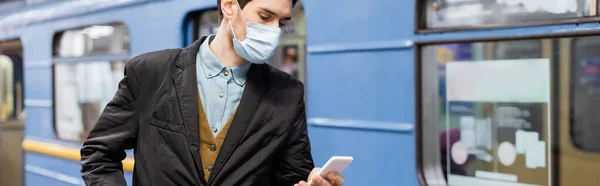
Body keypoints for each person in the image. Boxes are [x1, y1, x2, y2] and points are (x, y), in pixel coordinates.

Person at [79, 0, 344, 186]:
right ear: (229, 6)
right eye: (265, 17)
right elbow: (99, 153)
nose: (274, 31)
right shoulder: (151, 72)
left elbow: (291, 176)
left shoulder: (287, 93)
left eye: (282, 22)